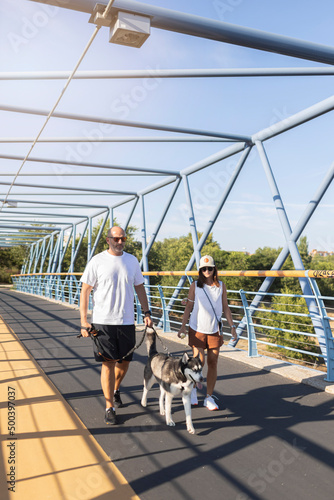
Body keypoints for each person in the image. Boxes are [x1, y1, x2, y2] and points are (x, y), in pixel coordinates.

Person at [80, 226, 153, 425]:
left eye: (123, 239)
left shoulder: (131, 261)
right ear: (108, 240)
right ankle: (109, 406)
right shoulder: (97, 261)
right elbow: (85, 290)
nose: (120, 242)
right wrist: (84, 321)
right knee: (108, 363)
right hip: (103, 322)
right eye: (116, 239)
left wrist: (147, 313)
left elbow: (139, 287)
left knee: (124, 363)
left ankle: (115, 388)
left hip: (127, 321)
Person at [177, 255, 237, 411]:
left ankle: (209, 397)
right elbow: (188, 307)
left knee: (213, 362)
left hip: (214, 330)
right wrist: (183, 326)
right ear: (200, 270)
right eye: (203, 269)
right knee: (199, 362)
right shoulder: (195, 286)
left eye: (209, 268)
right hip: (197, 329)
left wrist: (232, 326)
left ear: (214, 269)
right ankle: (193, 389)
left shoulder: (221, 286)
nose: (207, 271)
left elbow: (225, 307)